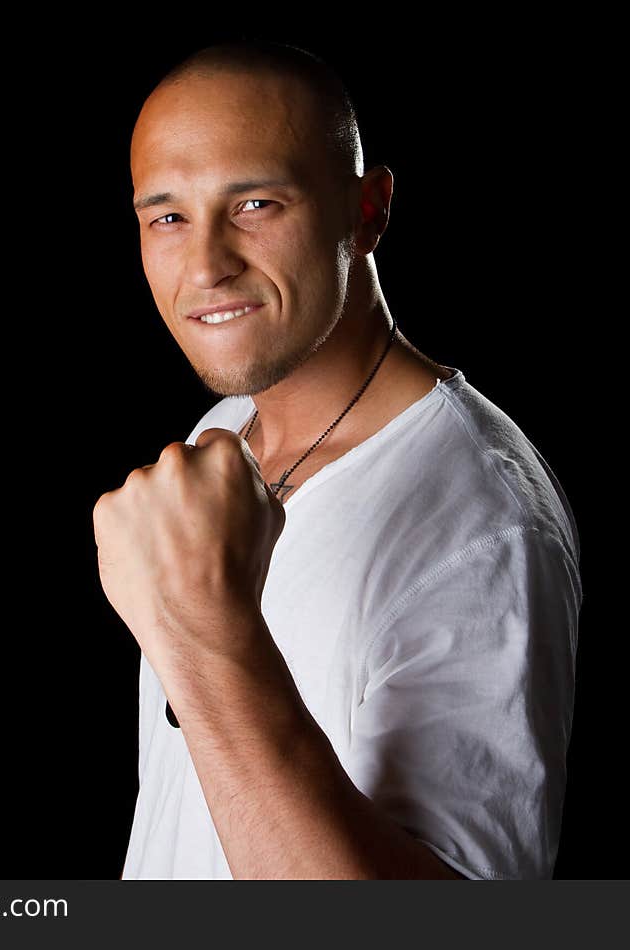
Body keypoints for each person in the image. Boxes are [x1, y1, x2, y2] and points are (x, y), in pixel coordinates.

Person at [92, 38, 582, 880]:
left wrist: (208, 637)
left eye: (255, 204)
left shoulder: (482, 522)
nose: (205, 264)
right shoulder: (221, 437)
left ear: (369, 209)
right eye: (167, 216)